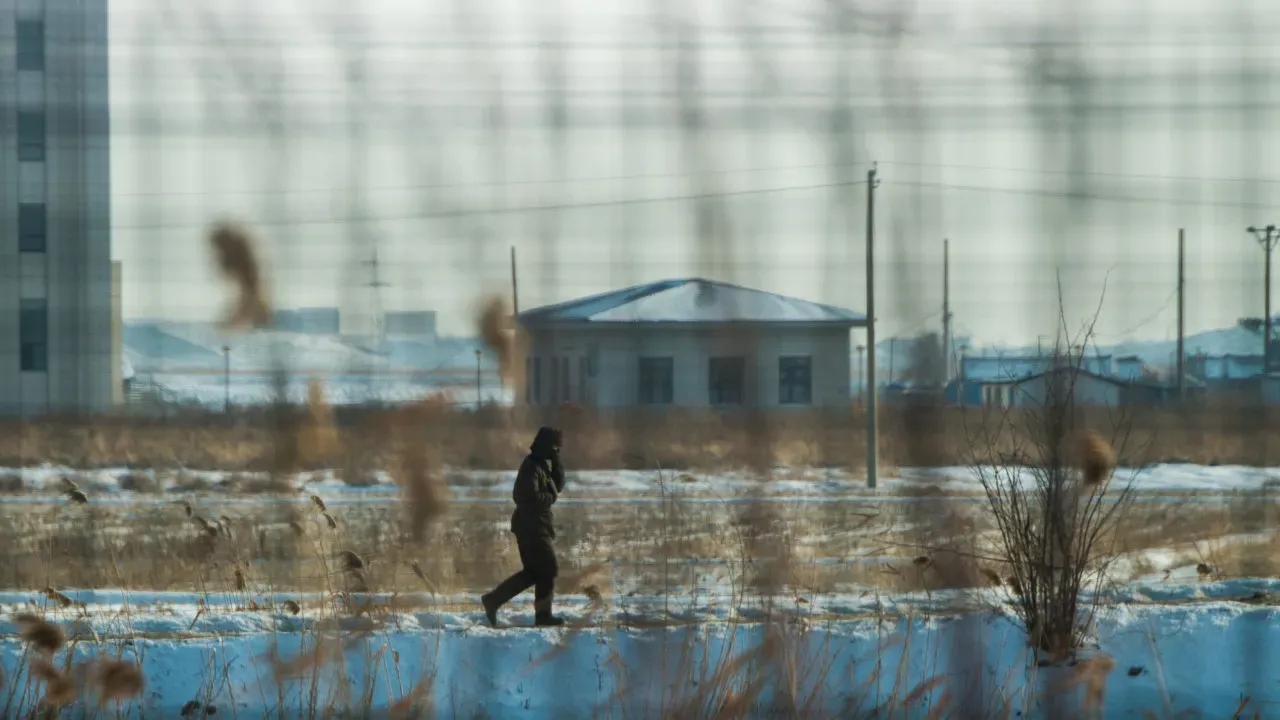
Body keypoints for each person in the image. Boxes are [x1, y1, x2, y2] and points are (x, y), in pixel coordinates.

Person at [480, 426, 567, 627]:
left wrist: (556, 461)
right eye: (553, 448)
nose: (555, 452)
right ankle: (542, 615)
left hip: (537, 525)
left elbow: (558, 484)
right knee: (548, 569)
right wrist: (549, 497)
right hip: (530, 527)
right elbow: (523, 496)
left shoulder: (541, 465)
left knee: (535, 572)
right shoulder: (531, 466)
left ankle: (494, 600)